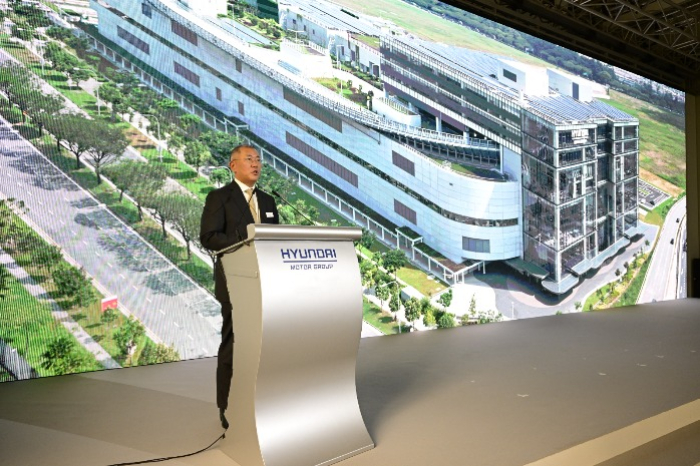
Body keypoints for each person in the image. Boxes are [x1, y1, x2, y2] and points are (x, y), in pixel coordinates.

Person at [200, 144, 279, 429]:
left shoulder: (269, 201)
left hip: (267, 284)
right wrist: (244, 239)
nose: (256, 164)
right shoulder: (219, 198)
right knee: (234, 344)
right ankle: (228, 407)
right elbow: (209, 237)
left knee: (265, 346)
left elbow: (276, 241)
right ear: (233, 166)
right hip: (235, 283)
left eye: (258, 159)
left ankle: (263, 403)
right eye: (249, 159)